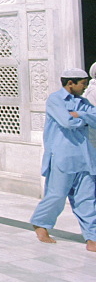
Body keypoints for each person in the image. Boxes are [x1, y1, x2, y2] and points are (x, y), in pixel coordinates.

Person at [30, 68, 96, 252]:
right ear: (70, 83)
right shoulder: (55, 100)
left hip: (85, 158)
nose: (85, 87)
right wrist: (85, 118)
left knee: (88, 199)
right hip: (62, 157)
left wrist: (80, 115)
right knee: (57, 196)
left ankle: (92, 238)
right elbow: (67, 122)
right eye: (83, 83)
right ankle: (41, 224)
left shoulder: (83, 102)